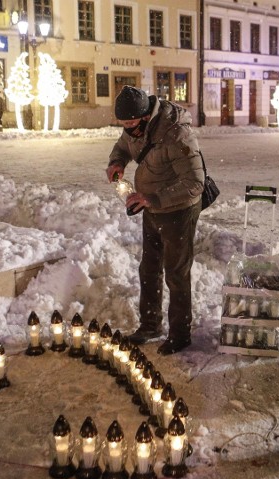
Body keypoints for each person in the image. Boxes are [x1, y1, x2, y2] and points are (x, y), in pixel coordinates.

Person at [106, 86, 204, 355]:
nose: (128, 129)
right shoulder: (133, 127)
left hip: (178, 211)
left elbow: (196, 182)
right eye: (123, 125)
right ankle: (150, 325)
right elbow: (123, 146)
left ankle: (180, 334)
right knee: (148, 269)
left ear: (147, 117)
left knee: (176, 272)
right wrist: (117, 162)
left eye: (132, 124)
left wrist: (154, 199)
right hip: (150, 208)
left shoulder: (177, 134)